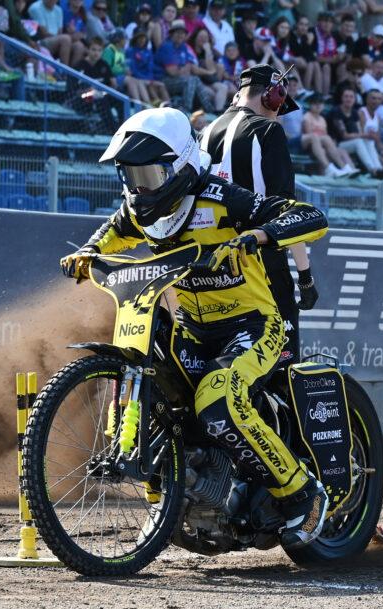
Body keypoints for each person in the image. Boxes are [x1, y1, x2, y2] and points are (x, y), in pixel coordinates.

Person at [60, 108, 332, 546]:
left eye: (149, 174)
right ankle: (168, 501)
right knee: (159, 392)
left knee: (217, 398)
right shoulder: (138, 212)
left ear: (182, 164)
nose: (138, 186)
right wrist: (87, 253)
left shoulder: (221, 197)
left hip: (252, 325)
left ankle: (301, 493)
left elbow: (308, 217)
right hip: (193, 329)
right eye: (130, 175)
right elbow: (107, 234)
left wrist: (257, 236)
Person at [201, 64, 319, 367]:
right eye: (281, 105)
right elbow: (285, 211)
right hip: (258, 262)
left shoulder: (204, 132)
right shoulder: (268, 130)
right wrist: (305, 277)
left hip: (207, 266)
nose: (279, 114)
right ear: (273, 95)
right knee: (280, 363)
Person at [158, 21, 215, 112]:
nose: (180, 35)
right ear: (172, 34)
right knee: (191, 80)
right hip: (163, 81)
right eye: (177, 32)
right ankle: (186, 109)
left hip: (178, 79)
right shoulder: (167, 47)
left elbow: (190, 68)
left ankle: (210, 110)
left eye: (183, 33)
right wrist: (183, 69)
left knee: (194, 79)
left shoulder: (184, 47)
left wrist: (182, 69)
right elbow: (172, 72)